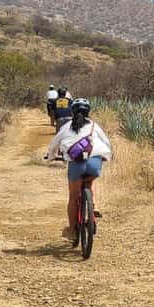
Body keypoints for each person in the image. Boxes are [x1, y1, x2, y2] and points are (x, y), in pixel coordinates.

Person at [46, 98, 112, 239]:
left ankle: (72, 231)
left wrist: (51, 157)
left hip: (76, 164)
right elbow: (106, 142)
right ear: (88, 112)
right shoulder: (95, 125)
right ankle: (93, 205)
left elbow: (54, 144)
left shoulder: (68, 126)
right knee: (89, 181)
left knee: (73, 196)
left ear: (73, 111)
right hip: (94, 162)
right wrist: (107, 156)